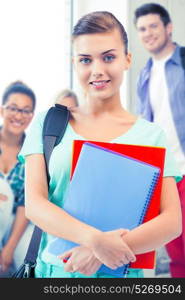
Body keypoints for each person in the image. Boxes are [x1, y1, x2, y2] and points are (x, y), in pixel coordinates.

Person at [19, 11, 182, 278]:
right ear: (75, 64)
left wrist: (98, 251)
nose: (97, 70)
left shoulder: (152, 135)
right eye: (85, 59)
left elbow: (171, 222)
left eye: (109, 57)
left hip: (122, 277)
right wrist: (96, 240)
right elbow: (35, 204)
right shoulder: (47, 124)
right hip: (55, 274)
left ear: (127, 59)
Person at [134, 3, 185, 278]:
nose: (148, 33)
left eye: (153, 26)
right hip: (166, 172)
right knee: (175, 250)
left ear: (168, 28)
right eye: (142, 29)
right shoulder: (144, 74)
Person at [0, 81, 36, 277]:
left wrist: (9, 248)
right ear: (2, 110)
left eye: (26, 111)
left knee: (27, 257)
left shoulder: (33, 153)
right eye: (13, 108)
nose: (19, 116)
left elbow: (26, 203)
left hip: (18, 224)